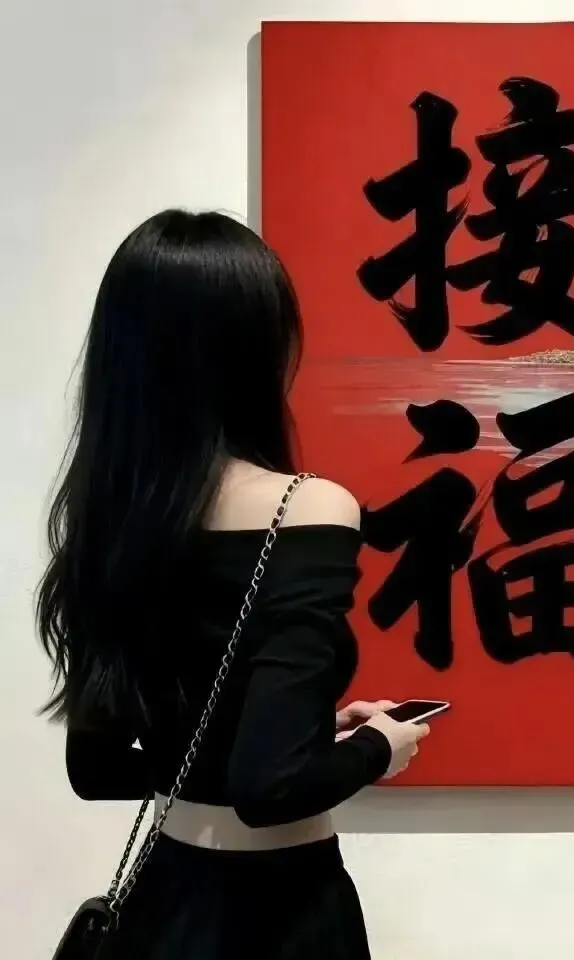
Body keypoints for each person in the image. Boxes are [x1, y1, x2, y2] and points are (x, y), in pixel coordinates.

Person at [36, 209, 430, 958]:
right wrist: (378, 747)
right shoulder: (306, 507)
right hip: (281, 914)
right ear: (256, 348)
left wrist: (307, 735)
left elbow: (97, 769)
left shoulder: (112, 520)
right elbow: (269, 791)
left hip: (163, 903)